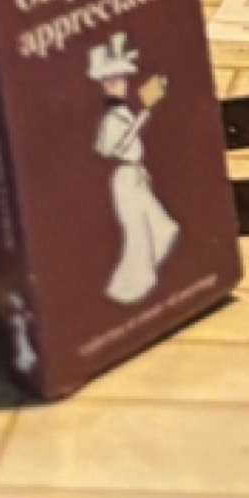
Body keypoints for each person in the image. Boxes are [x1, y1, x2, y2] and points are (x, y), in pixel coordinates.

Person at [88, 36, 180, 309]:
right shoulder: (110, 119)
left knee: (164, 228)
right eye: (115, 81)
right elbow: (116, 148)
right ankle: (129, 288)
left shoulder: (123, 111)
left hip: (135, 176)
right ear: (106, 85)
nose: (122, 85)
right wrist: (141, 117)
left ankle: (145, 280)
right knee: (137, 234)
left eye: (122, 80)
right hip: (125, 179)